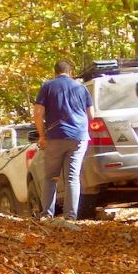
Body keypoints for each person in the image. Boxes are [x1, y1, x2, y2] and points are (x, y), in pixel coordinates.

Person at [33, 59, 94, 221]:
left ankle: (47, 215)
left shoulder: (48, 86)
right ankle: (70, 216)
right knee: (72, 178)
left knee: (51, 177)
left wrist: (42, 136)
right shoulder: (81, 88)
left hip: (55, 137)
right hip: (78, 138)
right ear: (70, 72)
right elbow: (91, 115)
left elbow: (38, 113)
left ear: (55, 72)